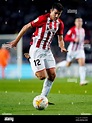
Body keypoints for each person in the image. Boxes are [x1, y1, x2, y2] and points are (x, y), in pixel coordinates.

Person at [2, 2, 67, 103]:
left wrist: (62, 46)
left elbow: (60, 38)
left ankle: (43, 98)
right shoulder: (42, 19)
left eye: (59, 14)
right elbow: (26, 27)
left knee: (53, 75)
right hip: (36, 49)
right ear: (51, 11)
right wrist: (16, 41)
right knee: (42, 76)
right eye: (55, 13)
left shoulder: (60, 23)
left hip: (47, 50)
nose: (57, 16)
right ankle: (30, 58)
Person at [56, 17, 89, 86]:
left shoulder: (83, 30)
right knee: (68, 64)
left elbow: (81, 40)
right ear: (75, 23)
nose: (79, 23)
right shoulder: (72, 30)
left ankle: (82, 81)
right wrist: (74, 39)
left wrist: (84, 42)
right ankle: (58, 65)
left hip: (80, 50)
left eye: (81, 21)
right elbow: (66, 38)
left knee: (82, 63)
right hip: (72, 50)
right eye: (78, 22)